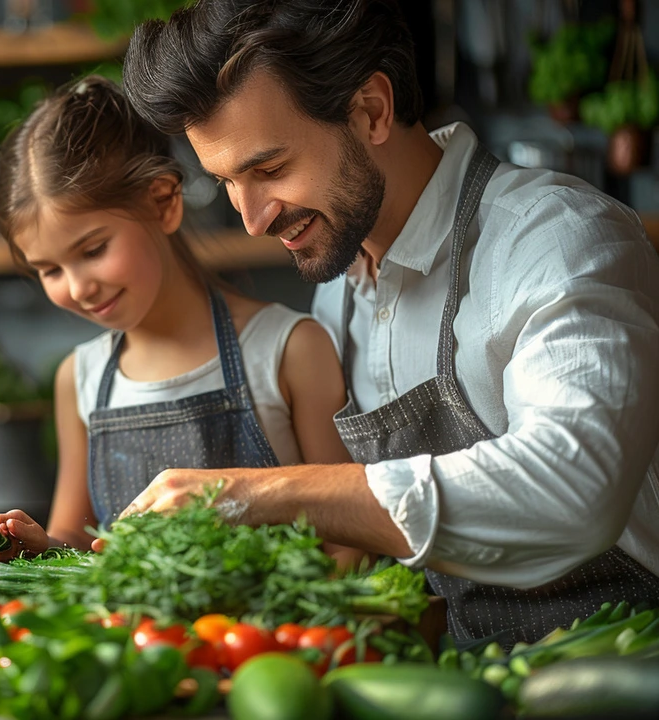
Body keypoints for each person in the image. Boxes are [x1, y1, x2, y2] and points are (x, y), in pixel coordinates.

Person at [120, 0, 659, 645]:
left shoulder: (553, 240)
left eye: (268, 169)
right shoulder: (342, 295)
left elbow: (575, 491)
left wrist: (264, 493)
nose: (253, 218)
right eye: (227, 181)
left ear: (371, 110)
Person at [0, 76, 362, 567]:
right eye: (48, 270)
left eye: (93, 250)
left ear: (163, 202)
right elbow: (75, 548)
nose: (76, 287)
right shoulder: (79, 379)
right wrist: (40, 549)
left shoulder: (289, 349)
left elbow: (348, 540)